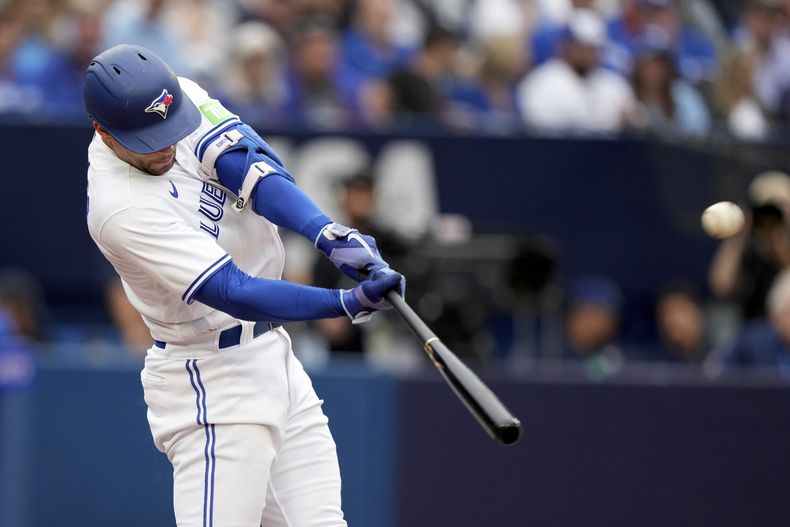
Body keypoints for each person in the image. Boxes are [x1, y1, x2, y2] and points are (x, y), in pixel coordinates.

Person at [83, 44, 404, 526]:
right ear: (104, 132)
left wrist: (327, 234)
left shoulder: (174, 99)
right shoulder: (118, 208)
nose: (167, 145)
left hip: (273, 358)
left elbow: (249, 165)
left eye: (168, 130)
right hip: (212, 378)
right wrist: (344, 302)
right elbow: (233, 291)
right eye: (149, 141)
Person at [516, 8, 635, 134]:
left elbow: (634, 122)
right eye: (581, 47)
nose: (587, 54)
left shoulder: (614, 85)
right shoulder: (540, 83)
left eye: (592, 49)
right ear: (566, 46)